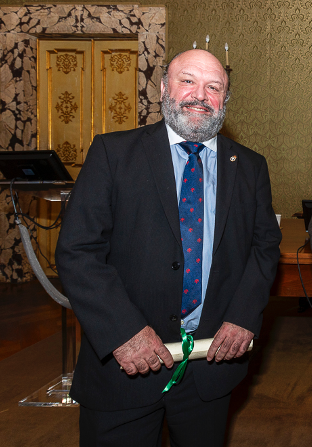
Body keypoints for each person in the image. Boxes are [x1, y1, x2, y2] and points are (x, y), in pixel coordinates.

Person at [55, 49, 281, 447]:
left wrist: (244, 317)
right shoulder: (113, 153)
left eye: (214, 87)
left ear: (225, 100)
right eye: (187, 80)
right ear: (163, 88)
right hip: (124, 366)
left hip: (210, 367)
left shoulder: (250, 165)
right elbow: (78, 251)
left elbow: (265, 248)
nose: (200, 94)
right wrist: (124, 332)